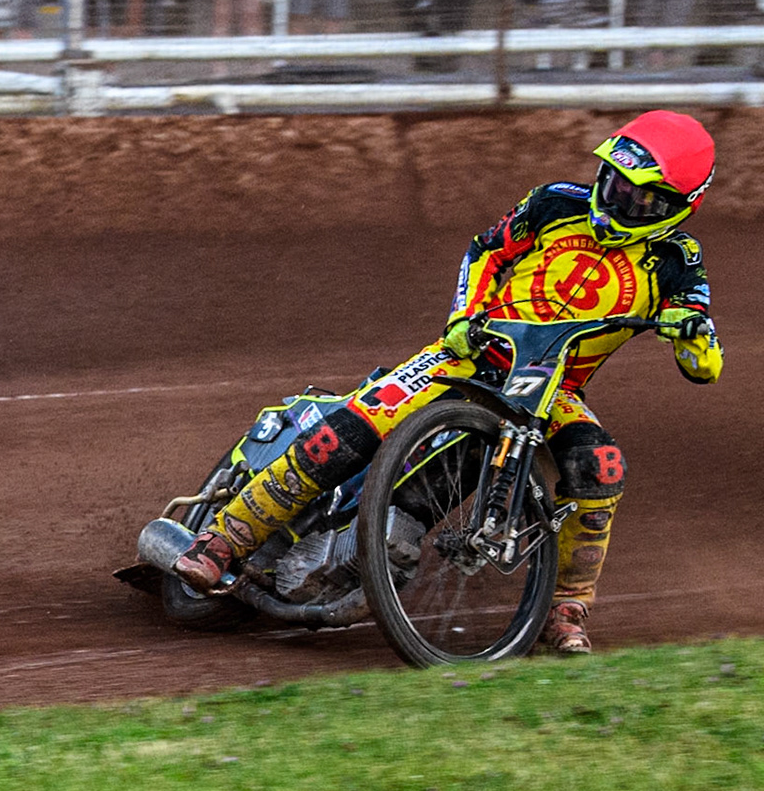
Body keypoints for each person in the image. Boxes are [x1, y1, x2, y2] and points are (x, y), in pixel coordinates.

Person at [171, 111, 722, 655]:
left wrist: (691, 333)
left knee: (601, 468)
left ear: (676, 206)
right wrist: (465, 317)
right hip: (471, 351)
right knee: (346, 432)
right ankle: (223, 539)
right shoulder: (556, 202)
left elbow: (706, 365)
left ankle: (566, 608)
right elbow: (485, 250)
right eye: (613, 181)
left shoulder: (678, 262)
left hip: (554, 389)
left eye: (636, 196)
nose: (616, 197)